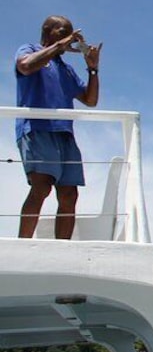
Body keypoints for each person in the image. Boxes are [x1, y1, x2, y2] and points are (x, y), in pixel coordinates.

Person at [14, 15, 102, 239]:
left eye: (71, 34)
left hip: (65, 134)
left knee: (69, 194)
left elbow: (90, 100)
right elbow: (25, 66)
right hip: (37, 128)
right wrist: (58, 46)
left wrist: (92, 69)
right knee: (41, 186)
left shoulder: (67, 70)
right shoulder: (29, 49)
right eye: (63, 31)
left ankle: (62, 248)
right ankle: (22, 245)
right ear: (47, 31)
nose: (69, 38)